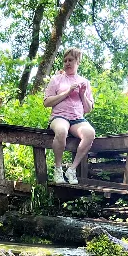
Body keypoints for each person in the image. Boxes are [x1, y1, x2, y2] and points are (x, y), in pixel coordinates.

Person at [43, 48, 96, 185]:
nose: (67, 63)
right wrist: (68, 91)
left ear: (78, 61)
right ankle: (58, 168)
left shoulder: (84, 82)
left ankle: (72, 169)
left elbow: (88, 109)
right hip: (59, 117)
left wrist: (82, 94)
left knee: (90, 133)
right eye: (65, 60)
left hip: (78, 118)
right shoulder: (56, 79)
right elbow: (47, 102)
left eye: (70, 60)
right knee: (61, 131)